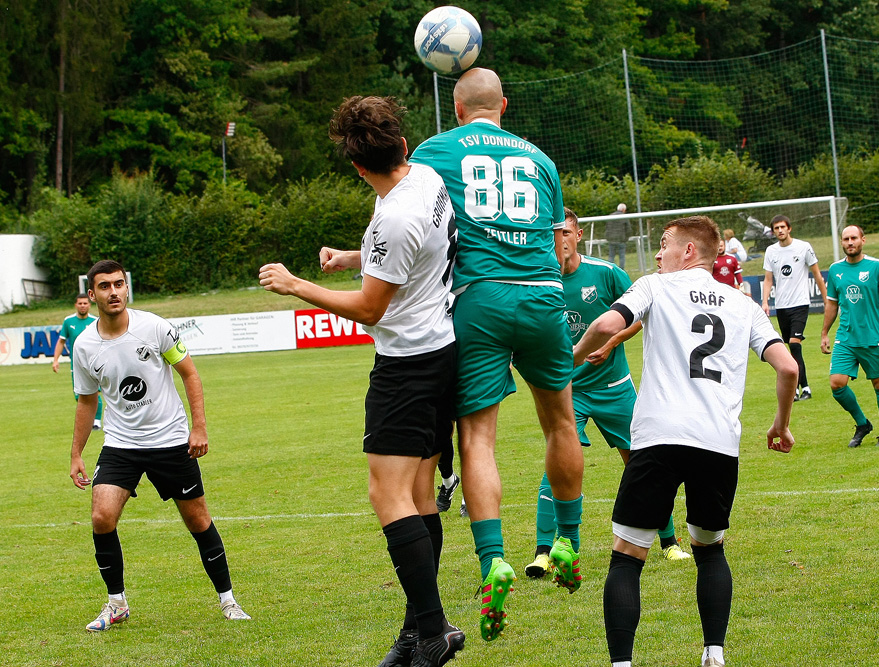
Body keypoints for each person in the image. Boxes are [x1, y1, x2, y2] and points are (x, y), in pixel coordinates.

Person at [259, 95, 464, 667]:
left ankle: (432, 630)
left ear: (356, 166)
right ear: (401, 145)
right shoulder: (424, 175)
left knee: (387, 495)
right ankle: (416, 633)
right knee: (420, 497)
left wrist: (297, 285)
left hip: (407, 366)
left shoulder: (393, 214)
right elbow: (414, 252)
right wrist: (355, 258)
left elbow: (371, 309)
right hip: (439, 352)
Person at [572, 215, 798, 667]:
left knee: (627, 556)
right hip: (717, 443)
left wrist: (567, 361)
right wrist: (780, 423)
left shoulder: (654, 286)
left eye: (664, 245)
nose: (658, 255)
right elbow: (789, 368)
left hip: (659, 437)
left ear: (688, 252)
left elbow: (603, 325)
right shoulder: (743, 305)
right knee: (709, 549)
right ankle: (714, 653)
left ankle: (621, 664)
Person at [408, 67, 585, 642]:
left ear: (458, 109)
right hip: (541, 295)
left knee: (477, 438)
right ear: (502, 104)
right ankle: (568, 541)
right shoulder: (541, 160)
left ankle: (493, 561)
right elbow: (558, 241)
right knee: (560, 421)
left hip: (479, 298)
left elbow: (415, 228)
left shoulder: (436, 151)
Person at [69, 260, 251, 632]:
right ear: (92, 295)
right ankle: (116, 603)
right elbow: (87, 402)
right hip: (121, 444)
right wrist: (75, 454)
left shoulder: (153, 327)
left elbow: (189, 373)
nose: (114, 291)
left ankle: (228, 601)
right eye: (104, 286)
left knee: (198, 520)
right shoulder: (84, 345)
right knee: (102, 517)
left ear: (126, 288)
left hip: (169, 440)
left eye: (119, 284)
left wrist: (198, 428)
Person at [524, 208, 690, 582]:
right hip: (567, 391)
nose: (559, 240)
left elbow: (641, 314)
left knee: (642, 464)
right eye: (553, 234)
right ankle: (543, 553)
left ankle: (668, 541)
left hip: (615, 389)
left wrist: (612, 340)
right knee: (555, 466)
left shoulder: (606, 273)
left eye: (565, 232)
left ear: (578, 235)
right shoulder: (539, 280)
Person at [820, 225, 879, 448]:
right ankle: (862, 423)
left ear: (863, 240)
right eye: (846, 239)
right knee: (837, 384)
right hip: (846, 338)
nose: (850, 242)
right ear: (842, 243)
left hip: (873, 337)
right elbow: (831, 303)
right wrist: (824, 333)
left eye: (854, 238)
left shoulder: (877, 267)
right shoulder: (836, 269)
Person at [761, 214, 828, 401]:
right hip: (781, 306)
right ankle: (798, 388)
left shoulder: (803, 247)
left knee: (794, 344)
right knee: (790, 348)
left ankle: (804, 387)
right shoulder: (771, 251)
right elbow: (768, 279)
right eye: (776, 228)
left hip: (800, 304)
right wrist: (765, 302)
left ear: (789, 228)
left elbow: (817, 274)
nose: (780, 231)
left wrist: (826, 299)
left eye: (783, 227)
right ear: (773, 231)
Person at [52, 293, 104, 430]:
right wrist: (55, 360)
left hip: (93, 363)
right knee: (80, 395)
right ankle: (89, 419)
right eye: (80, 303)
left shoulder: (95, 321)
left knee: (95, 392)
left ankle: (97, 421)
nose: (82, 306)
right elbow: (61, 341)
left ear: (89, 304)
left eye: (85, 303)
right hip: (76, 364)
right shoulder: (68, 321)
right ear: (75, 305)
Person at [605, 203, 631, 269]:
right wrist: (626, 238)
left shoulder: (610, 216)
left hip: (611, 239)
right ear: (623, 209)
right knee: (622, 256)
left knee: (611, 256)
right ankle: (621, 270)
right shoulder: (624, 217)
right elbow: (628, 229)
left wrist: (608, 237)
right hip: (621, 239)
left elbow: (607, 228)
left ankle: (610, 269)